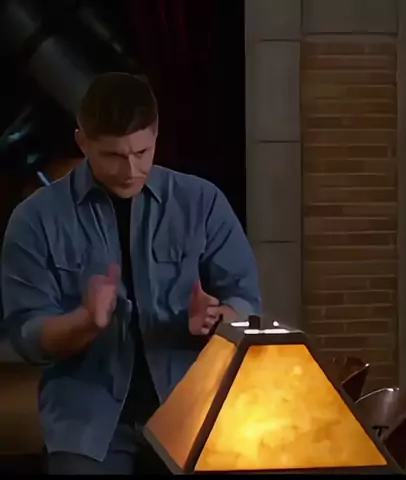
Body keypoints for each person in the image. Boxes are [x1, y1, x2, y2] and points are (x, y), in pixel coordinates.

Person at [1, 72, 262, 475]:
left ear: (155, 134)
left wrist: (218, 319)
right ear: (82, 142)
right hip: (86, 422)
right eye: (112, 156)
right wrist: (85, 322)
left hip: (192, 410)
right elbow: (27, 337)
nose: (131, 169)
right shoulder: (35, 219)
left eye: (142, 152)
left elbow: (247, 302)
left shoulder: (202, 202)